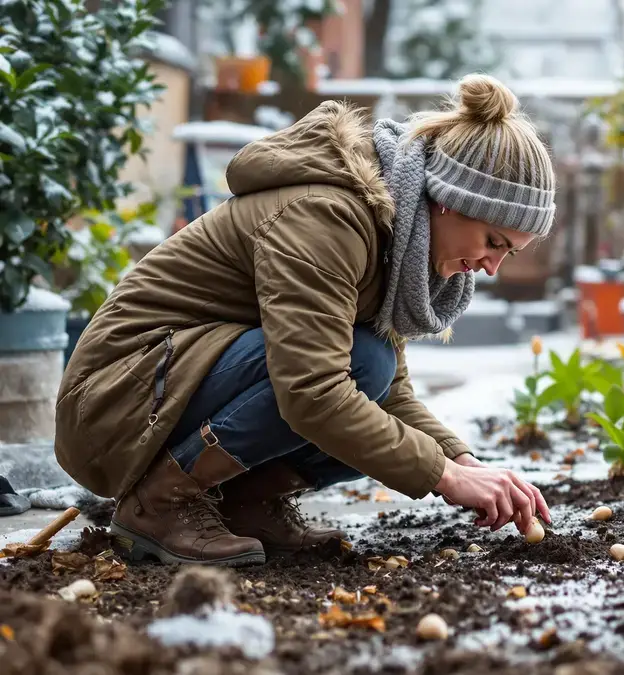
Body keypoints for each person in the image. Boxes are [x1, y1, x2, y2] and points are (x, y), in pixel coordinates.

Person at [54, 74, 556, 566]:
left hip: (166, 389)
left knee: (372, 377)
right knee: (359, 370)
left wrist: (462, 461)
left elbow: (392, 392)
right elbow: (312, 391)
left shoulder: (394, 238)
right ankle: (162, 501)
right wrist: (442, 477)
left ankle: (245, 504)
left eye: (508, 254)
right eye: (493, 242)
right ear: (449, 200)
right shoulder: (327, 217)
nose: (492, 267)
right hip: (112, 405)